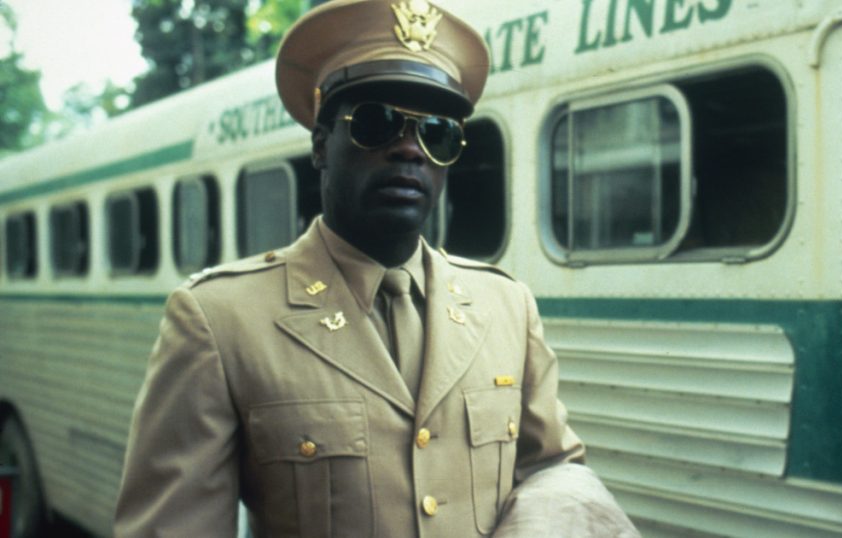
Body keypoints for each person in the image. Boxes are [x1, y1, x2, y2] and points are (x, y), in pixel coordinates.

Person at [115, 1, 638, 536]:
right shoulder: (221, 320)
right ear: (321, 145)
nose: (409, 150)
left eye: (436, 134)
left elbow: (553, 471)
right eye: (377, 123)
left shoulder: (505, 307)